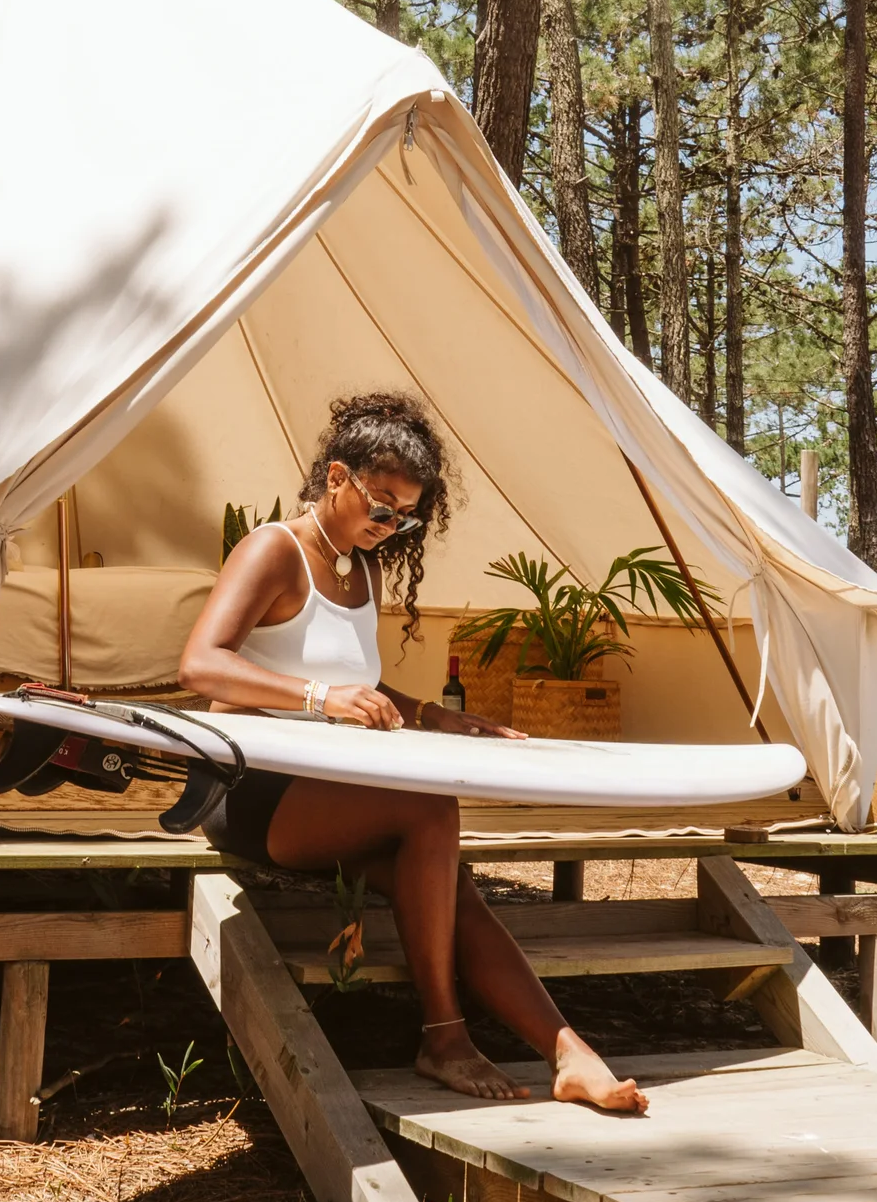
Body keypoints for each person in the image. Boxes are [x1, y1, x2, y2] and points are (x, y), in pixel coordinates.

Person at [179, 391, 646, 1114]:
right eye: (382, 507)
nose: (390, 526)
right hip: (248, 791)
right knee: (429, 809)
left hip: (330, 791)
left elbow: (355, 681)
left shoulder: (363, 568)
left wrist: (434, 715)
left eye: (406, 517)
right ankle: (445, 1039)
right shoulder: (274, 549)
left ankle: (570, 1054)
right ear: (337, 477)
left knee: (448, 889)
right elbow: (201, 665)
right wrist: (319, 699)